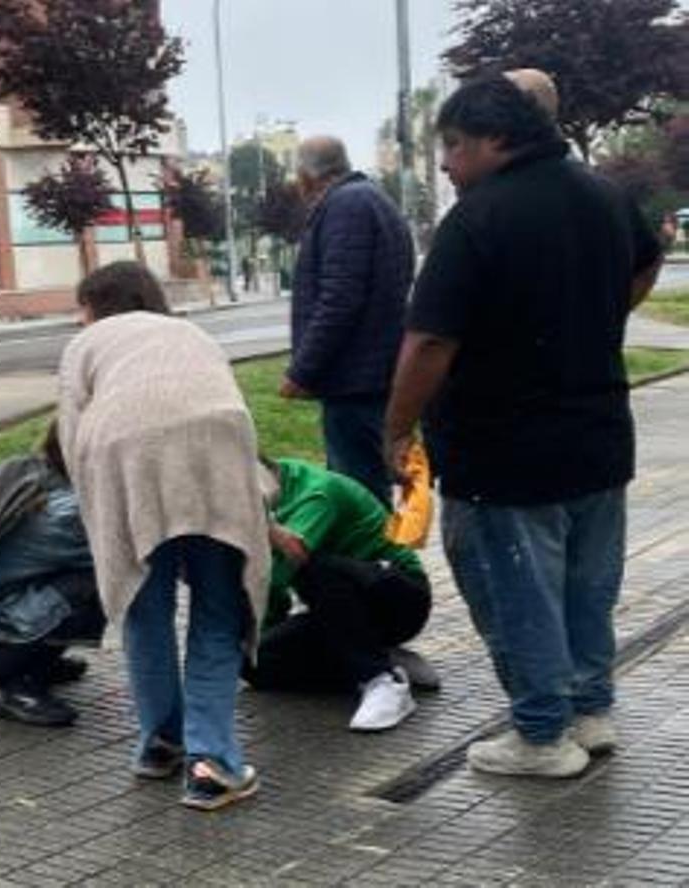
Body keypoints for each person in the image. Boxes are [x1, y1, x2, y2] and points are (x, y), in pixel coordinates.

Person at [383, 75, 664, 778]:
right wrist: (598, 317)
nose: (446, 162)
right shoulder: (602, 194)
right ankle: (591, 711)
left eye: (454, 145)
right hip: (598, 436)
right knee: (587, 589)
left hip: (503, 449)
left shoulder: (477, 219)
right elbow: (647, 260)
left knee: (518, 595)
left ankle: (542, 736)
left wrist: (396, 429)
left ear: (497, 140)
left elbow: (429, 341)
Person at [58, 261, 271, 811]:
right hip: (217, 448)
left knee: (143, 608)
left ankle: (161, 742)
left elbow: (71, 438)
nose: (79, 320)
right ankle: (212, 763)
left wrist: (100, 522)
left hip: (123, 458)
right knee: (218, 610)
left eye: (81, 309)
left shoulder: (86, 345)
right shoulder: (191, 333)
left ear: (96, 307)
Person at [243, 458, 434, 732]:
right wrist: (265, 636)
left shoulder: (317, 494)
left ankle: (380, 679)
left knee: (315, 568)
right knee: (253, 664)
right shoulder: (262, 501)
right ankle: (379, 658)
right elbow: (269, 586)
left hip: (401, 598)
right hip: (343, 611)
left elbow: (286, 563)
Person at [281, 136, 415, 508]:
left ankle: (376, 548)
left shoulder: (345, 207)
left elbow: (340, 299)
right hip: (374, 373)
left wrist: (302, 372)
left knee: (358, 497)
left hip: (354, 381)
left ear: (306, 176)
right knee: (367, 488)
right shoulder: (373, 200)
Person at [0, 424, 106, 727]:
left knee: (79, 582)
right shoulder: (67, 515)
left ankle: (39, 661)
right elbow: (124, 556)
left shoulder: (38, 479)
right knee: (94, 583)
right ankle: (20, 681)